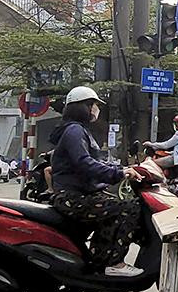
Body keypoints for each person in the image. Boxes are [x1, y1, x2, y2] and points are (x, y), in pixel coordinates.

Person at [50, 86, 141, 274]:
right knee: (129, 207)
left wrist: (120, 169)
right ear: (82, 107)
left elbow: (94, 162)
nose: (96, 109)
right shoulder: (74, 130)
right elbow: (84, 163)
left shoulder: (77, 130)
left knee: (113, 206)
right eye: (93, 105)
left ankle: (98, 259)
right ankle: (114, 263)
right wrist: (118, 174)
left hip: (78, 193)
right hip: (73, 197)